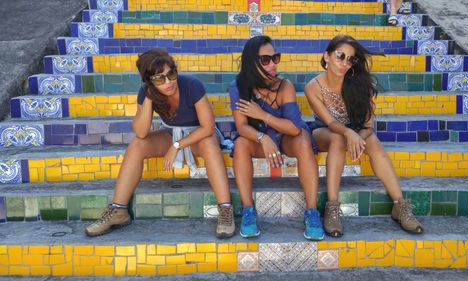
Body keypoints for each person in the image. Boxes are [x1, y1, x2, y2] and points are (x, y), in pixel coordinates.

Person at [85, 48, 235, 238]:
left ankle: (225, 210)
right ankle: (118, 211)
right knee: (137, 145)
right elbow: (140, 132)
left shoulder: (192, 86)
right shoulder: (147, 93)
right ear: (149, 81)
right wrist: (149, 95)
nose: (168, 82)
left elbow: (208, 127)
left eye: (170, 74)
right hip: (172, 134)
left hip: (199, 136)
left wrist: (176, 146)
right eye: (159, 79)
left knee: (209, 143)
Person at [304, 35, 423, 237]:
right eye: (340, 56)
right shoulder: (312, 87)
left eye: (350, 59)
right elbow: (331, 123)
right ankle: (332, 208)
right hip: (324, 131)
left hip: (356, 130)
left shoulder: (360, 84)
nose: (344, 63)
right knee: (339, 138)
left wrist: (358, 137)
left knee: (374, 143)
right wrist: (349, 133)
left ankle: (400, 205)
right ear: (326, 56)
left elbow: (368, 125)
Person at [229, 35, 324, 241]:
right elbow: (242, 127)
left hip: (286, 139)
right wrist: (263, 138)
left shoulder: (284, 86)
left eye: (275, 58)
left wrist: (263, 115)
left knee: (303, 140)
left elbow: (294, 128)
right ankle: (248, 210)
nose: (272, 64)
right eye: (265, 60)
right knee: (241, 144)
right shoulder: (238, 87)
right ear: (251, 62)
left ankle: (312, 211)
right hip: (257, 141)